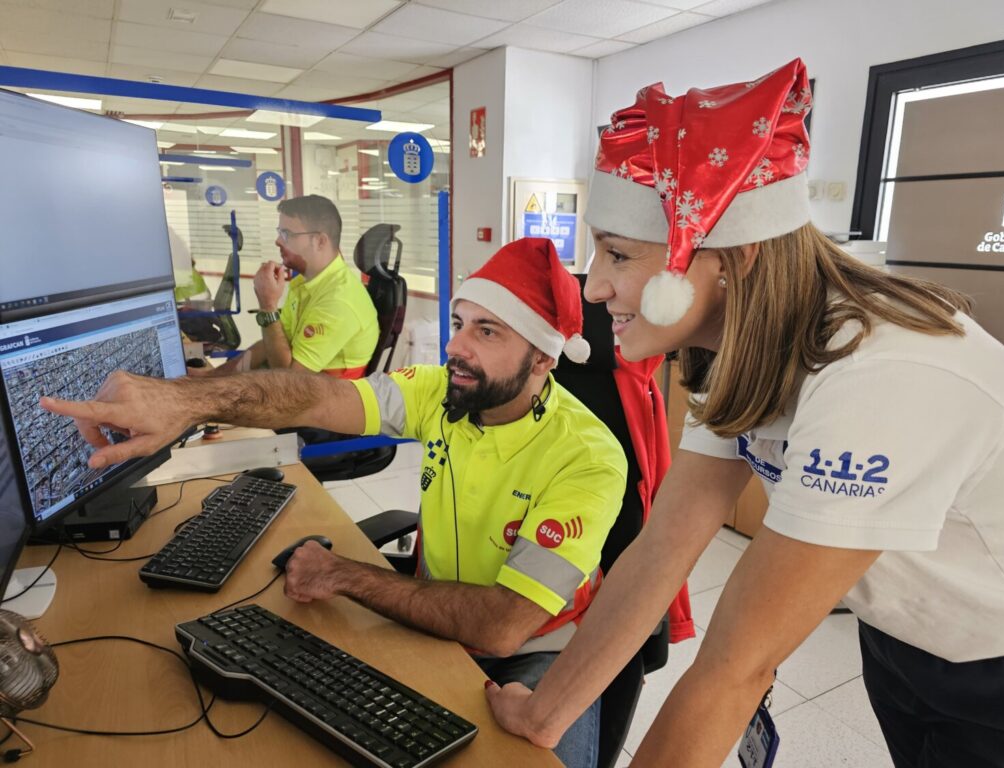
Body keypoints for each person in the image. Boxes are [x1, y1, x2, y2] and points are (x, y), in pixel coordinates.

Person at [483, 58, 1004, 767]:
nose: (597, 285)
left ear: (729, 262)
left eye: (617, 253)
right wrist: (545, 714)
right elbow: (662, 549)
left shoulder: (880, 378)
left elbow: (737, 666)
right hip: (906, 629)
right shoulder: (741, 344)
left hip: (1002, 659)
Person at [41, 238, 627, 768]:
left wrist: (347, 575)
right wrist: (186, 401)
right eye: (459, 322)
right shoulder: (440, 392)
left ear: (544, 359)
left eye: (488, 332)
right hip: (441, 625)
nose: (455, 346)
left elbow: (502, 626)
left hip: (538, 650)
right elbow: (313, 396)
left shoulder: (589, 458)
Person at [205, 194, 379, 379]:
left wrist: (268, 305)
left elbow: (289, 381)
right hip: (303, 392)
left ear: (320, 241)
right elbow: (268, 346)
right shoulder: (304, 283)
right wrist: (212, 377)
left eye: (287, 234)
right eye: (279, 232)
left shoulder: (340, 301)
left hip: (321, 401)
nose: (278, 241)